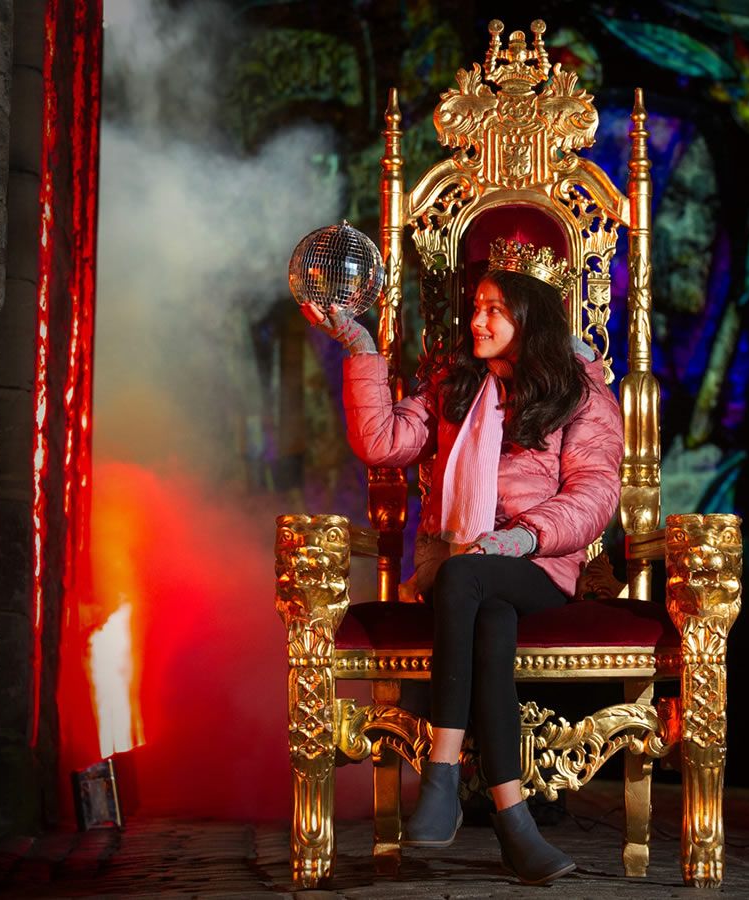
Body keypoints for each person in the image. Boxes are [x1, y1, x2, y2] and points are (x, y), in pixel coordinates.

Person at [303, 238, 623, 886]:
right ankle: (516, 825)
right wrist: (363, 351)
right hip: (466, 571)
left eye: (494, 310)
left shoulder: (580, 391)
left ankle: (442, 777)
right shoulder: (457, 386)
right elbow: (384, 442)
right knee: (486, 615)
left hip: (538, 563)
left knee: (466, 573)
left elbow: (594, 494)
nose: (477, 321)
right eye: (476, 306)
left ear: (529, 317)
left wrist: (520, 538)